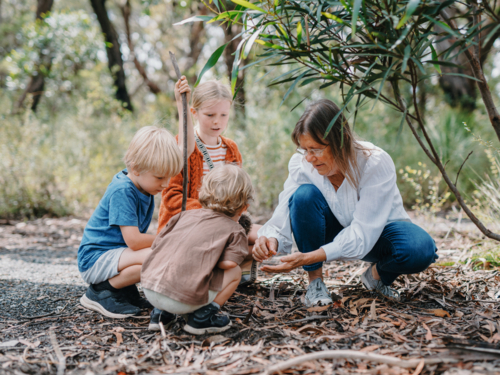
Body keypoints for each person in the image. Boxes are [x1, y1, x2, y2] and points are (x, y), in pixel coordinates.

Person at [253, 99, 438, 305]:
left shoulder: (374, 162)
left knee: (420, 249)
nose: (309, 158)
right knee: (303, 195)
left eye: (315, 149)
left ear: (340, 140)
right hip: (331, 229)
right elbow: (284, 209)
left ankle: (376, 276)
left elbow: (364, 233)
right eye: (305, 149)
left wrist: (308, 257)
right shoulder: (301, 163)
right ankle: (315, 284)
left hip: (377, 235)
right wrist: (271, 239)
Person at [157, 77, 259, 285]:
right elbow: (172, 198)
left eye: (224, 115)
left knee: (262, 236)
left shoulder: (230, 148)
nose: (217, 122)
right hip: (190, 224)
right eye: (210, 115)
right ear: (193, 113)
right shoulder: (182, 146)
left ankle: (239, 265)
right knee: (233, 242)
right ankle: (217, 271)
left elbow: (239, 191)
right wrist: (212, 215)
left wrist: (236, 215)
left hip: (224, 223)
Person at [78, 126, 183, 318]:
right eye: (160, 177)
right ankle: (101, 291)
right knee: (155, 256)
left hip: (115, 255)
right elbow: (134, 241)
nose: (166, 184)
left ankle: (121, 289)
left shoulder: (144, 186)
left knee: (156, 255)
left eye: (169, 177)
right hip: (95, 258)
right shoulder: (123, 190)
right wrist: (168, 238)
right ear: (135, 168)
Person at [141, 164, 252, 334]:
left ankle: (161, 316)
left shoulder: (183, 215)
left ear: (204, 194)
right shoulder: (235, 229)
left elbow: (157, 245)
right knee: (236, 272)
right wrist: (212, 256)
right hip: (183, 299)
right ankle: (203, 317)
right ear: (244, 206)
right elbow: (229, 264)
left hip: (150, 289)